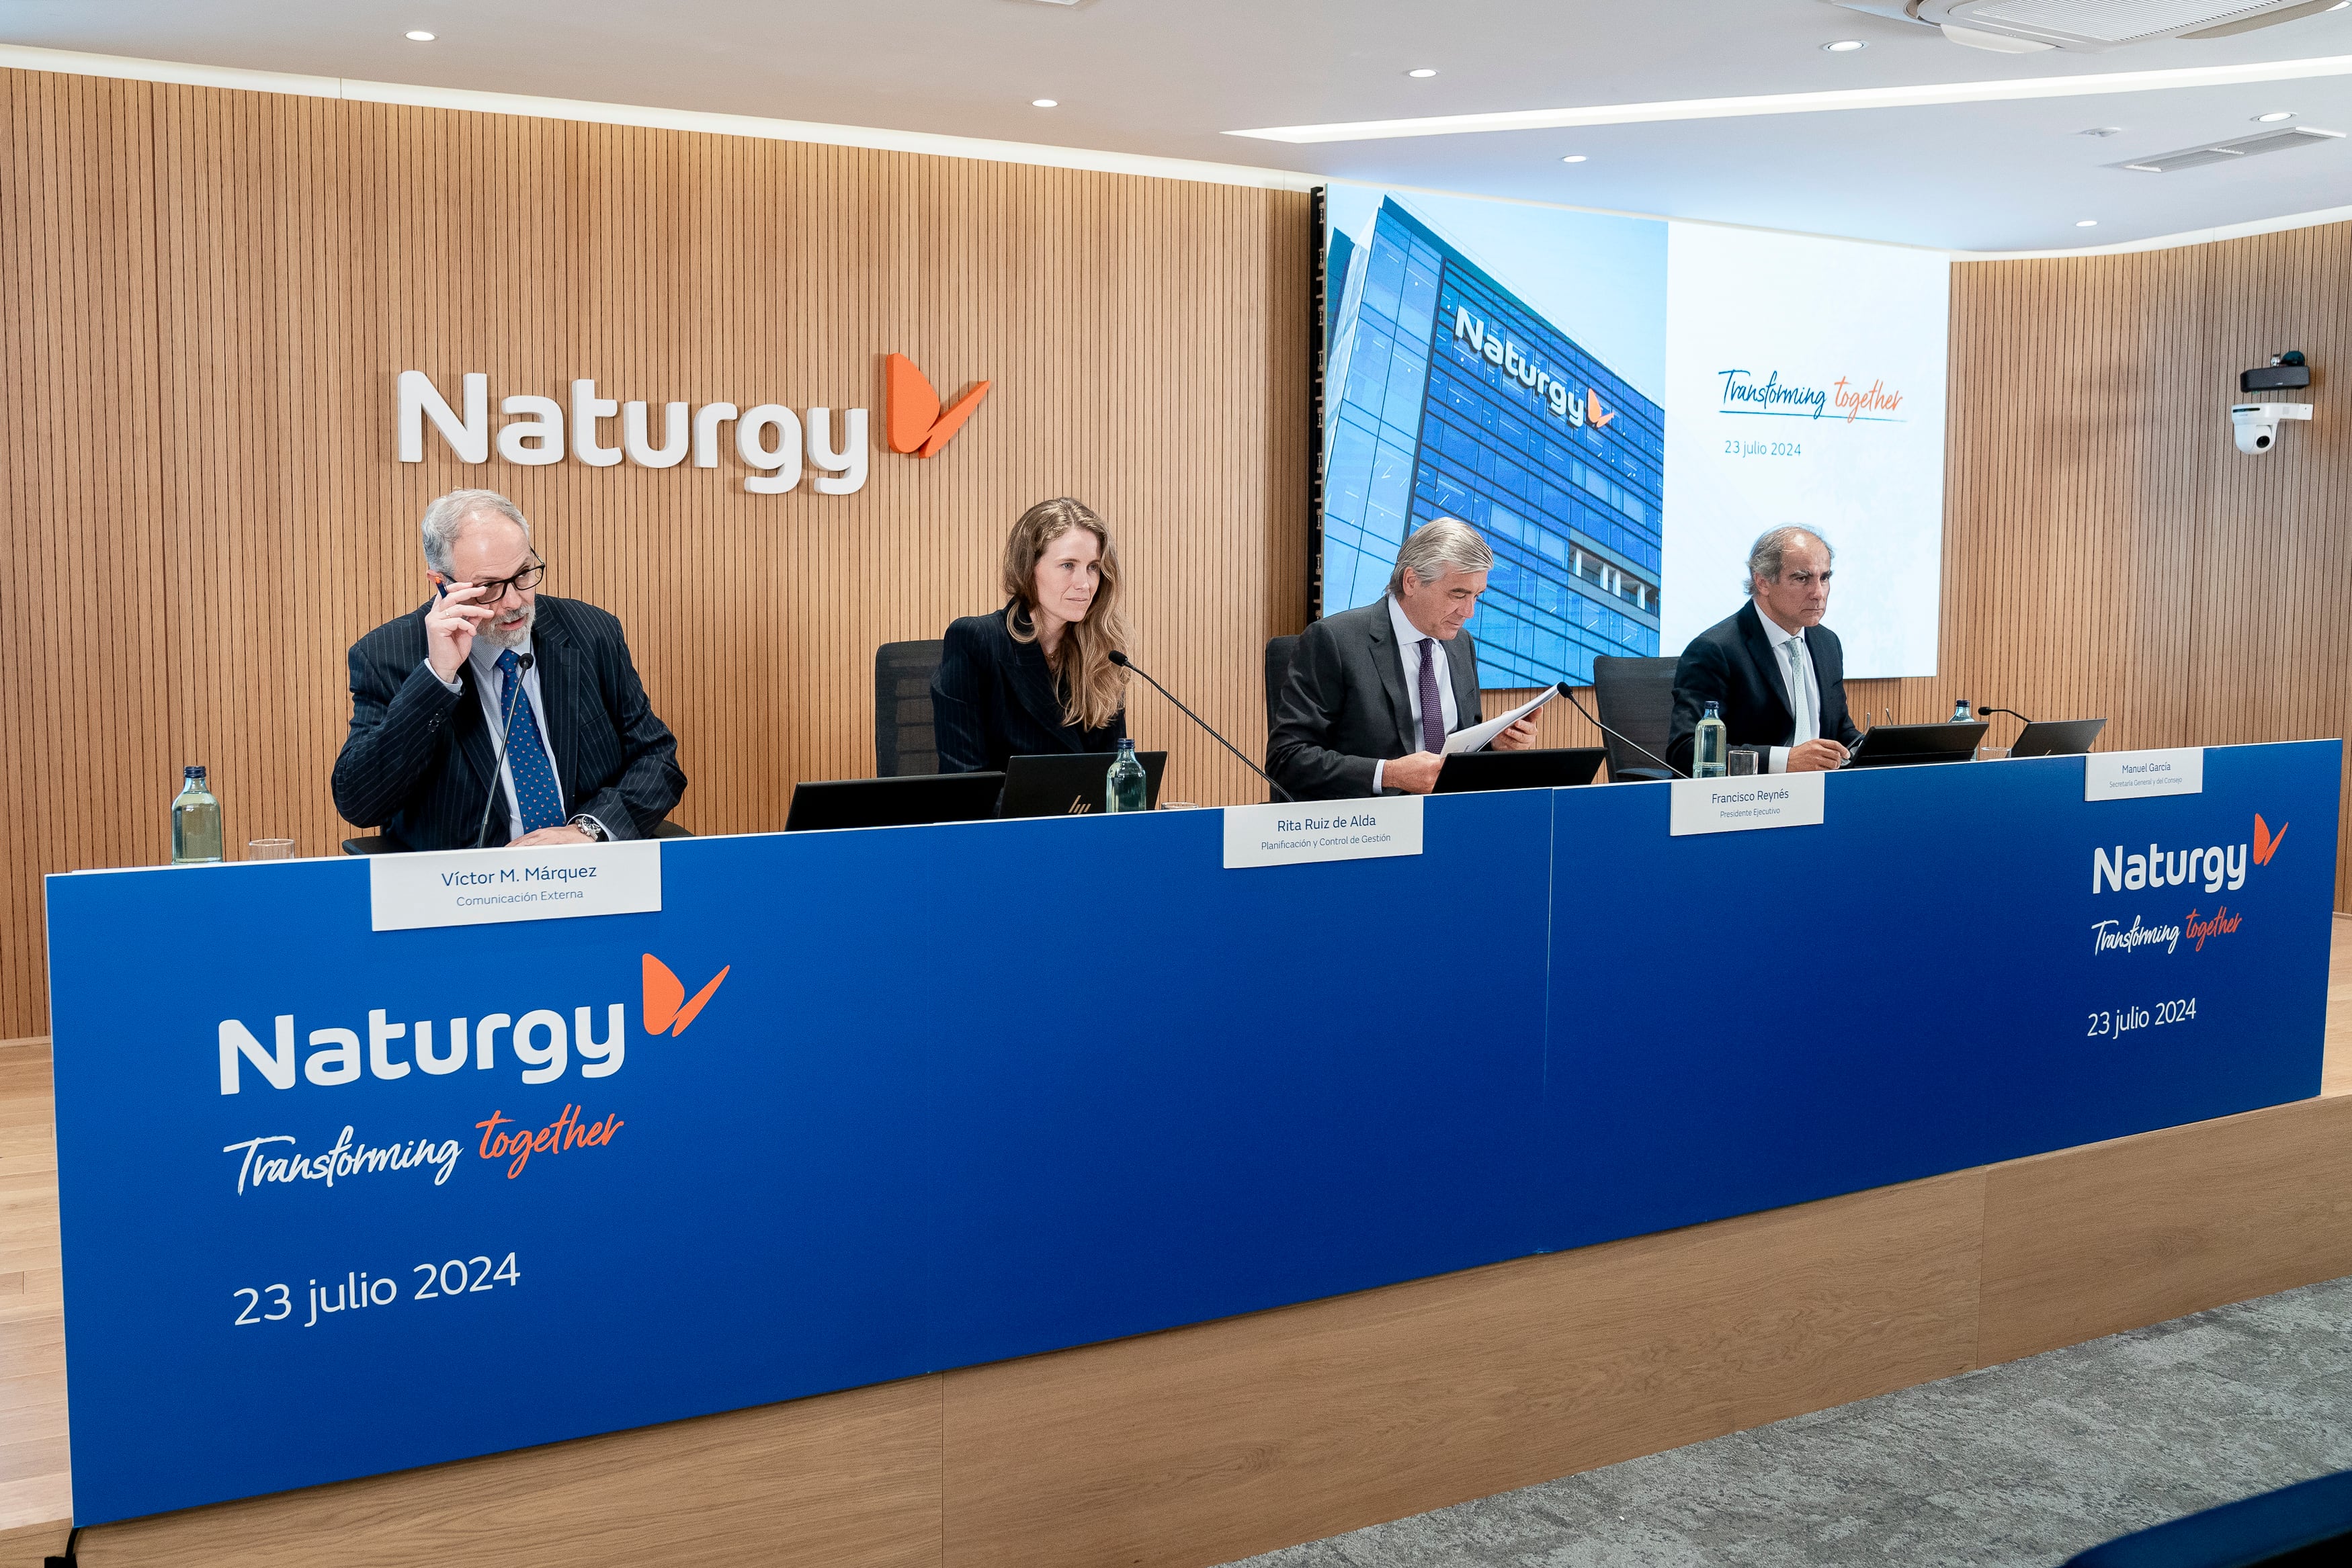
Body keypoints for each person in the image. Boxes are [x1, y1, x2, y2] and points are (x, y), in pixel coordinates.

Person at [332, 488, 685, 851]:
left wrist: (588, 831)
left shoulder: (590, 632)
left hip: (586, 872)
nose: (514, 602)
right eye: (487, 588)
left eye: (523, 575)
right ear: (442, 583)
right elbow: (360, 804)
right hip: (465, 888)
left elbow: (656, 759)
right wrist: (438, 679)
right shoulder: (386, 656)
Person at [1266, 517, 1538, 801]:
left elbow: (1459, 750)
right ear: (1411, 581)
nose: (1469, 612)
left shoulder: (1461, 644)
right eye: (1458, 594)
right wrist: (1389, 774)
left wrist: (1494, 744)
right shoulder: (1333, 641)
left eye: (1477, 596)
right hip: (1366, 829)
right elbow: (1287, 759)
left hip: (1450, 816)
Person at [932, 497, 1132, 775]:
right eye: (1068, 565)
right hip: (1007, 817)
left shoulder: (1103, 650)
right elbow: (965, 781)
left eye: (1093, 567)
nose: (1084, 584)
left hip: (1084, 817)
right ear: (1029, 569)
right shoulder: (977, 640)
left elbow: (1114, 773)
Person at [1665, 524, 1861, 776]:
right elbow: (1686, 750)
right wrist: (1784, 761)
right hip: (1747, 803)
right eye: (1802, 578)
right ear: (1763, 581)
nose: (1818, 593)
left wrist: (1881, 751)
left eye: (1824, 578)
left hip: (1818, 796)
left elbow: (1841, 733)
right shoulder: (1715, 650)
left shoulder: (1827, 643)